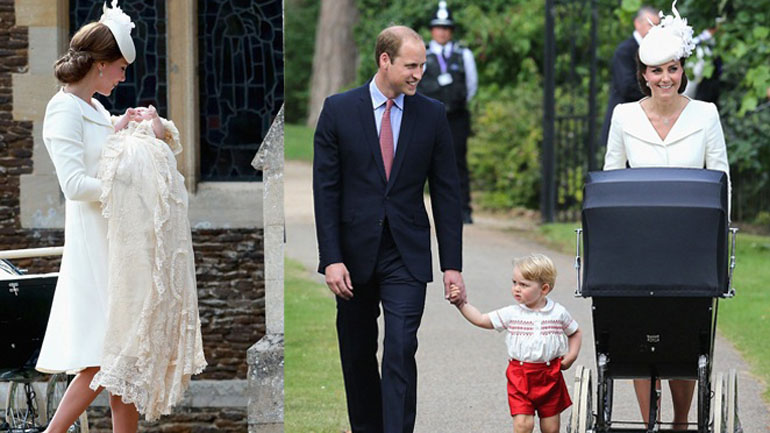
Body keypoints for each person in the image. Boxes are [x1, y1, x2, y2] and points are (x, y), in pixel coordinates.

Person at [35, 1, 204, 431]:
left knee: (121, 367)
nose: (125, 77)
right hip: (95, 246)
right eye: (121, 68)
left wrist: (141, 128)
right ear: (101, 65)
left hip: (117, 244)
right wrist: (128, 188)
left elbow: (118, 155)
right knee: (107, 358)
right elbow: (74, 184)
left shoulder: (94, 108)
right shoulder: (64, 109)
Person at [313, 25, 465, 433]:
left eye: (422, 66)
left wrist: (453, 264)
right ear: (385, 61)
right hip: (352, 257)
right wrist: (331, 259)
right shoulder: (338, 110)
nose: (418, 73)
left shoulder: (431, 115)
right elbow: (325, 192)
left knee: (400, 347)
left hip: (406, 254)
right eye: (410, 65)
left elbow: (448, 194)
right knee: (358, 354)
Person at [603, 2, 730, 429]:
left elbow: (720, 180)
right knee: (637, 335)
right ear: (643, 75)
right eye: (656, 71)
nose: (664, 79)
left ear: (682, 70)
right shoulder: (624, 116)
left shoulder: (705, 114)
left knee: (683, 333)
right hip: (635, 244)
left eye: (672, 69)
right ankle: (648, 423)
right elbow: (609, 180)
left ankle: (678, 421)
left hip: (690, 245)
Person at [448, 254, 582, 433]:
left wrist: (571, 356)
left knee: (551, 428)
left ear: (544, 289)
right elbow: (481, 319)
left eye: (524, 285)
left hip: (550, 374)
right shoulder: (512, 313)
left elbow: (575, 332)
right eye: (514, 283)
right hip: (520, 375)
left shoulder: (558, 313)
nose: (516, 289)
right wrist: (461, 304)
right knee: (523, 425)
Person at [417, 1, 477, 224]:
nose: (442, 32)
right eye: (438, 27)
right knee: (421, 162)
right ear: (432, 30)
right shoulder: (423, 53)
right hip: (427, 118)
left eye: (446, 28)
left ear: (451, 30)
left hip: (455, 118)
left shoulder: (464, 55)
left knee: (458, 163)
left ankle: (463, 210)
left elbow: (471, 86)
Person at [600, 6, 660, 147]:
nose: (655, 30)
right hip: (626, 122)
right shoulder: (625, 51)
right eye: (651, 24)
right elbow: (627, 87)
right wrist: (658, 93)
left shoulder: (656, 49)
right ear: (637, 24)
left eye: (657, 25)